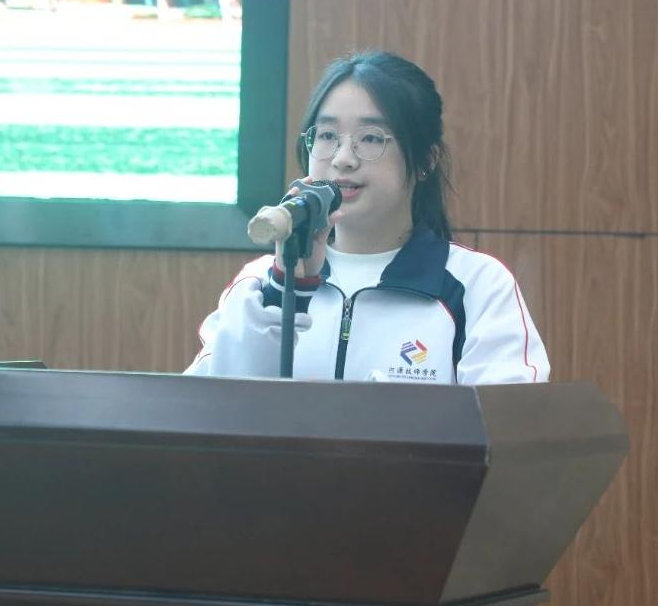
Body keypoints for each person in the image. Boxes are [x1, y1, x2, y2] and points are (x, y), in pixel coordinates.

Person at [185, 50, 550, 384]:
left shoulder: (475, 286)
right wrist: (284, 292)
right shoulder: (258, 284)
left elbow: (507, 423)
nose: (343, 158)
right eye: (327, 135)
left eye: (371, 138)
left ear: (426, 160)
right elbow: (210, 412)